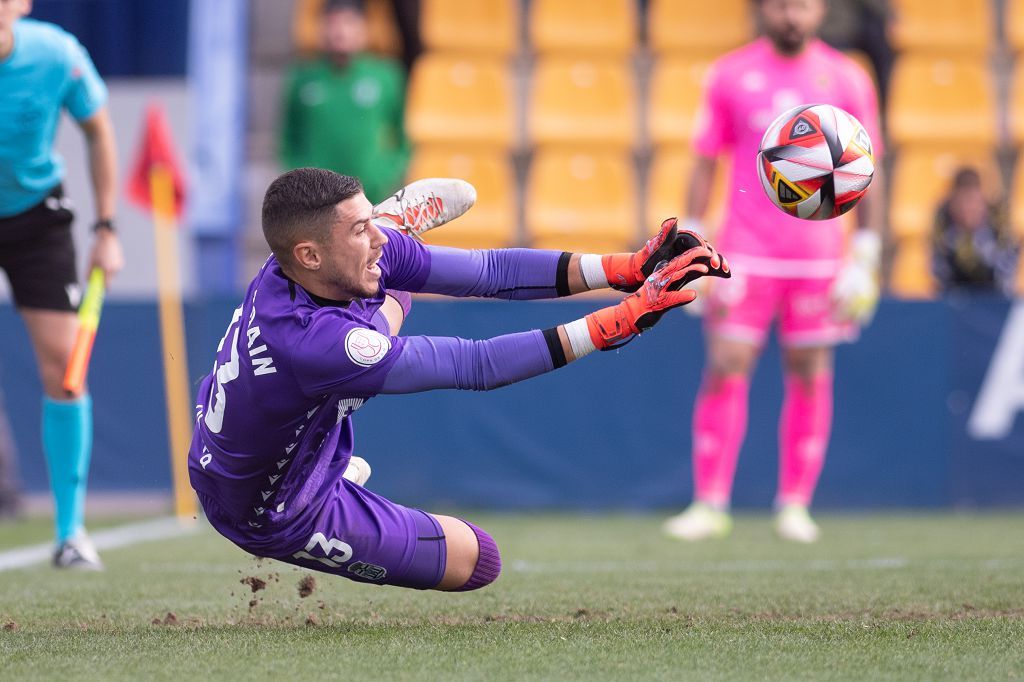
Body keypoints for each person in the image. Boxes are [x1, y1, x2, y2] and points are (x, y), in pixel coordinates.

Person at [188, 168, 729, 592]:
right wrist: (612, 323)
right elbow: (474, 365)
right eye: (361, 228)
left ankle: (396, 230)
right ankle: (329, 466)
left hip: (245, 436)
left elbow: (488, 272)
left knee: (381, 283)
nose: (374, 239)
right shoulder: (319, 344)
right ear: (308, 254)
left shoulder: (301, 265)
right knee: (479, 560)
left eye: (371, 222)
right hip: (274, 507)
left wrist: (623, 269)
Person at [663, 0, 885, 543]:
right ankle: (710, 503)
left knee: (810, 372)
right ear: (763, 9)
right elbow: (705, 158)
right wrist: (690, 237)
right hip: (745, 252)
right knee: (725, 365)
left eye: (803, 5)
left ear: (821, 11)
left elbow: (869, 167)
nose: (792, 15)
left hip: (818, 257)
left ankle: (795, 505)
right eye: (782, 5)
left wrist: (867, 254)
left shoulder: (848, 76)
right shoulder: (731, 74)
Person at [0, 0, 121, 567]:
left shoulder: (57, 56)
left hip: (35, 220)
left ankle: (71, 533)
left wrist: (106, 228)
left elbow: (99, 132)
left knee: (66, 375)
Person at [281, 0, 410, 205]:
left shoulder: (387, 77)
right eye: (333, 23)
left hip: (371, 197)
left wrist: (382, 174)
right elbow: (288, 138)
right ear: (322, 29)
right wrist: (303, 179)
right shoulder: (303, 78)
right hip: (318, 202)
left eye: (348, 23)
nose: (340, 31)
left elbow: (403, 136)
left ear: (363, 28)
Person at [932, 167, 1019, 297]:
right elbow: (940, 275)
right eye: (963, 203)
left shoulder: (999, 228)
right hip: (955, 300)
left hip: (995, 300)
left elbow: (1005, 274)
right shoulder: (943, 230)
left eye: (973, 202)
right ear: (953, 204)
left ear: (982, 202)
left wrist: (979, 248)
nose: (968, 209)